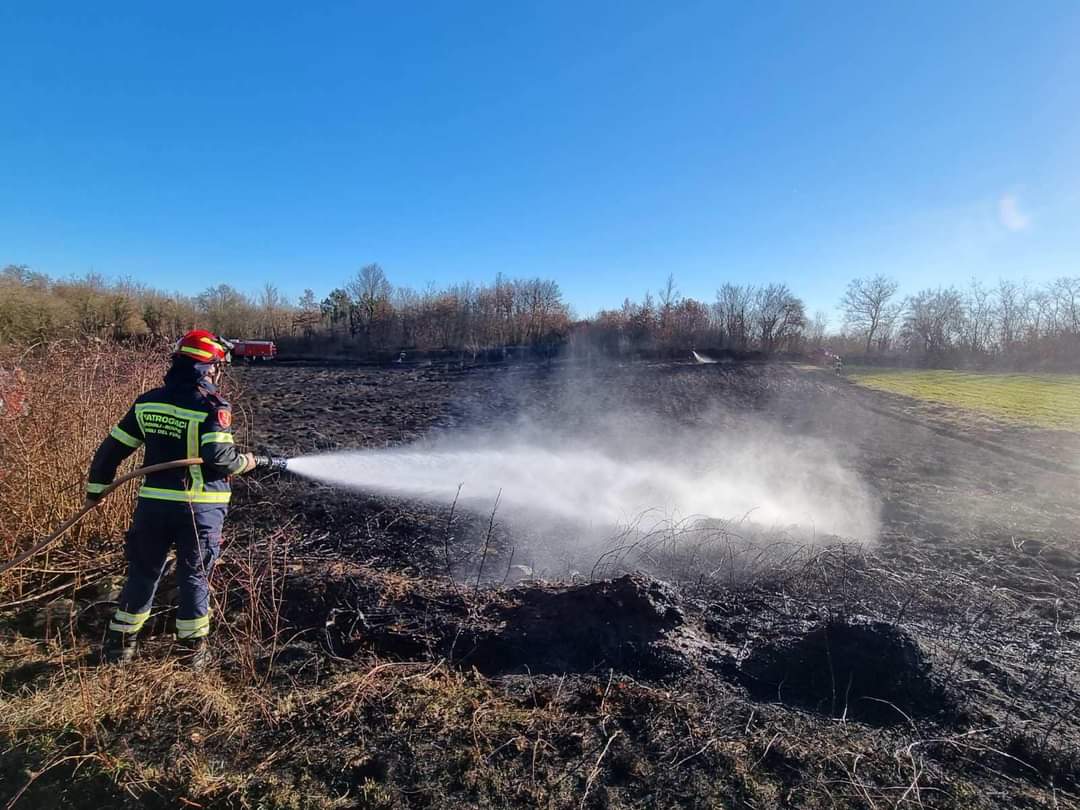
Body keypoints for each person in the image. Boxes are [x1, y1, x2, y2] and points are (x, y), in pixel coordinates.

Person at [84, 330, 276, 668]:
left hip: (153, 507)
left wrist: (96, 490)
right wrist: (248, 461)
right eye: (216, 367)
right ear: (207, 367)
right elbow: (219, 459)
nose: (217, 373)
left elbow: (109, 452)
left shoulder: (148, 403)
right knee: (194, 575)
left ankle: (119, 647)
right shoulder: (211, 406)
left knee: (144, 571)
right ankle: (192, 652)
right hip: (198, 508)